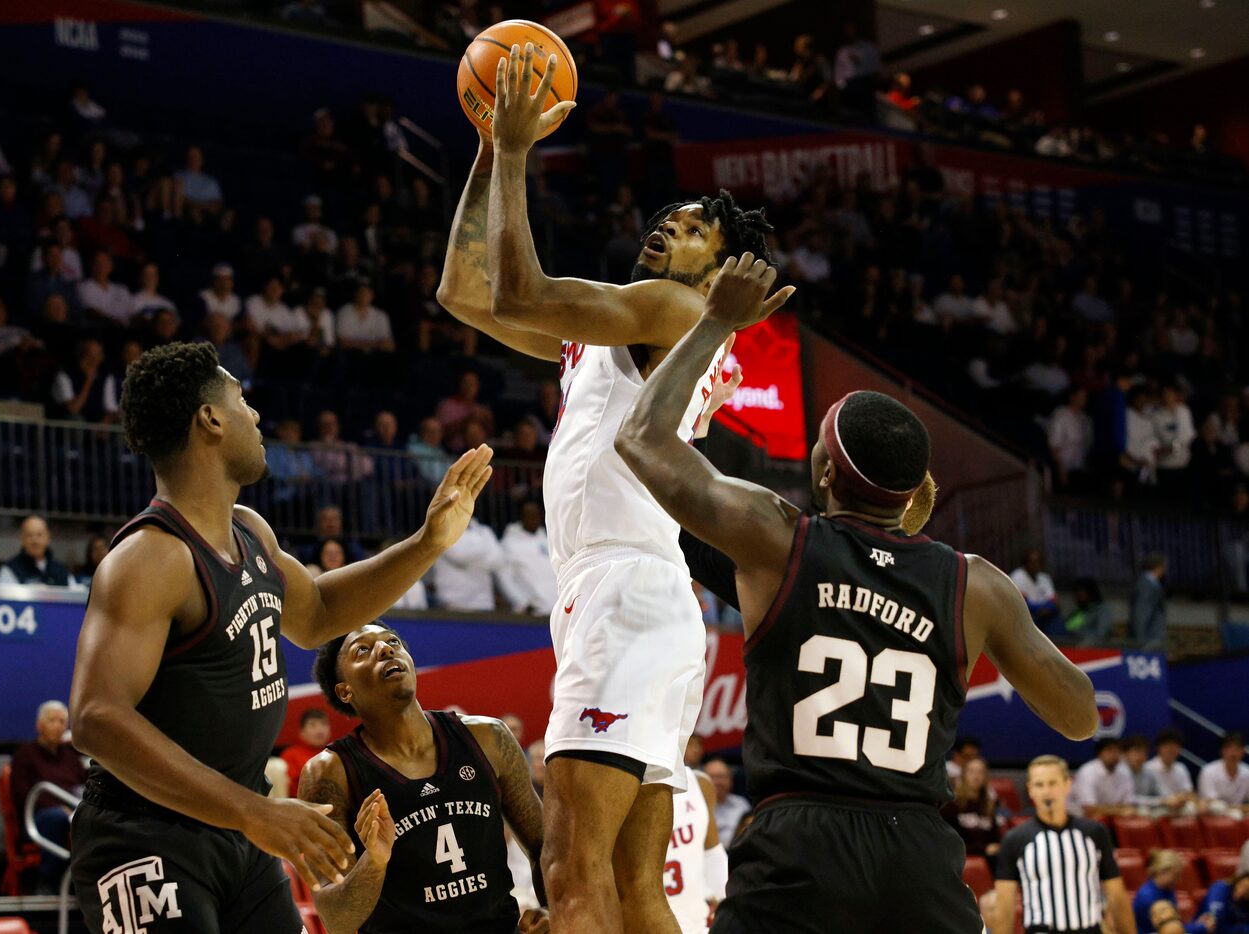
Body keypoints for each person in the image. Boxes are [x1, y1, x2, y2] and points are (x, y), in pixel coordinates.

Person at [614, 256, 1097, 933]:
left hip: (798, 843)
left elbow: (638, 439)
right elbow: (1079, 717)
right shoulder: (974, 585)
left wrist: (719, 320)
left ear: (823, 469)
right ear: (909, 493)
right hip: (916, 857)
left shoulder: (777, 538)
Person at [438, 47, 784, 933]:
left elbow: (518, 285)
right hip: (640, 594)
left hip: (624, 588)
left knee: (570, 867)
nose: (666, 229)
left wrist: (514, 149)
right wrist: (486, 147)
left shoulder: (670, 313)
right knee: (638, 888)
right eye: (665, 218)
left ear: (723, 271)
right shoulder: (634, 327)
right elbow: (465, 295)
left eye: (694, 227)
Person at [67, 341, 495, 933]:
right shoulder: (150, 558)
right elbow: (93, 717)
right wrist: (252, 812)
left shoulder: (250, 532)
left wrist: (427, 543)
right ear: (210, 420)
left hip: (238, 831)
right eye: (242, 399)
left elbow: (318, 612)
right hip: (142, 833)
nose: (257, 414)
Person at [302, 623, 550, 933]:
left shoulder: (488, 737)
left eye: (392, 641)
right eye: (362, 650)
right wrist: (374, 861)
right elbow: (336, 919)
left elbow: (543, 845)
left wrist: (552, 908)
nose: (385, 648)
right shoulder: (330, 772)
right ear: (345, 690)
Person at [992, 756, 1136, 934]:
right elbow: (1004, 906)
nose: (1046, 791)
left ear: (1067, 784)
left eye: (1052, 783)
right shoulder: (1015, 839)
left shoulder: (1095, 833)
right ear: (1030, 790)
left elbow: (1117, 896)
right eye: (1039, 784)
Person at [11, 700, 88, 893]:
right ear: (40, 725)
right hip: (38, 818)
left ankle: (86, 885)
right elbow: (23, 796)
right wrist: (61, 807)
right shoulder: (24, 755)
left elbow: (86, 786)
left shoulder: (71, 757)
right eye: (52, 720)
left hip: (73, 811)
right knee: (57, 818)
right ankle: (48, 883)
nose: (58, 726)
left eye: (62, 721)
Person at [665, 765, 726, 934]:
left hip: (698, 924)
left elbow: (713, 855)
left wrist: (728, 904)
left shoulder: (699, 782)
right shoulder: (623, 788)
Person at [497, 500, 556, 616]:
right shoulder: (509, 544)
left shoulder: (549, 540)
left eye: (536, 515)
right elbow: (505, 578)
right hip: (532, 613)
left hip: (557, 611)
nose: (533, 519)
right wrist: (522, 603)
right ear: (521, 517)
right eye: (529, 516)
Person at [1133, 850, 1213, 934]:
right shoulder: (1147, 897)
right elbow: (1169, 930)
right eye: (1176, 875)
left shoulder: (1167, 890)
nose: (1178, 880)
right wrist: (1200, 928)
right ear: (1163, 872)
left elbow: (1176, 924)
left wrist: (1197, 924)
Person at [941, 757, 1002, 865]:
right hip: (960, 859)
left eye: (981, 772)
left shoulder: (988, 806)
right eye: (972, 771)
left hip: (989, 859)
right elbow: (948, 843)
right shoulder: (951, 806)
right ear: (963, 775)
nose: (976, 776)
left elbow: (995, 839)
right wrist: (983, 849)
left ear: (986, 777)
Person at [0, 515, 76, 587]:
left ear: (48, 538)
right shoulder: (9, 570)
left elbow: (76, 597)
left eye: (39, 535)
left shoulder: (61, 571)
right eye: (29, 535)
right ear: (22, 539)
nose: (35, 540)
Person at [1068, 738, 1136, 818]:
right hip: (1077, 819)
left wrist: (1114, 810)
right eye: (1110, 751)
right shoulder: (1088, 772)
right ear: (1100, 754)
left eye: (1118, 751)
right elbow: (1089, 809)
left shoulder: (1124, 771)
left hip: (1108, 819)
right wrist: (1118, 810)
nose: (1115, 754)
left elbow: (1129, 806)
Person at [280, 708, 332, 799]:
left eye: (323, 724)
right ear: (302, 732)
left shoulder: (335, 754)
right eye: (313, 725)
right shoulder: (290, 755)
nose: (319, 731)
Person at [1141, 729, 1198, 810]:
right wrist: (1168, 800)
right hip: (1155, 807)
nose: (1171, 750)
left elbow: (1188, 792)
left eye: (1175, 746)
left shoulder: (1181, 768)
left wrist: (1182, 798)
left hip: (1178, 806)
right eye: (1168, 746)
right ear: (1159, 747)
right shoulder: (1148, 768)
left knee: (1192, 808)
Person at [1010, 548, 1062, 636]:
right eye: (1032, 562)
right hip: (1025, 617)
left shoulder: (1044, 578)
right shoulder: (1017, 577)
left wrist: (1044, 609)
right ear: (1025, 563)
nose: (1036, 565)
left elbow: (1054, 602)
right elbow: (1023, 604)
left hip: (1044, 616)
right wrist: (1040, 609)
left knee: (1057, 621)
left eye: (1038, 562)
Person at [703, 758, 749, 848]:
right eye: (711, 777)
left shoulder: (742, 804)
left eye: (721, 777)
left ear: (730, 780)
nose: (716, 782)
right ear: (703, 782)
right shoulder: (696, 806)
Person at [1198, 733, 1249, 806]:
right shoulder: (1208, 771)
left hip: (1238, 815)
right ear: (1222, 751)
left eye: (1237, 749)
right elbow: (1210, 802)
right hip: (1212, 815)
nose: (1233, 753)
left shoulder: (1247, 772)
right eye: (1230, 748)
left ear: (1243, 751)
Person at [1131, 553, 1167, 650]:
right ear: (1158, 567)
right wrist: (1140, 642)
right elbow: (1141, 613)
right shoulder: (1145, 585)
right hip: (1148, 641)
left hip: (1153, 640)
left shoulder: (1153, 584)